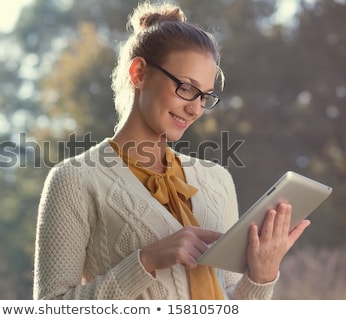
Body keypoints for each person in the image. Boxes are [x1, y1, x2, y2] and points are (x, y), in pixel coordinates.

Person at [33, 1, 310, 300]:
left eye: (204, 96)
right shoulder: (74, 180)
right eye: (187, 88)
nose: (195, 109)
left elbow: (230, 301)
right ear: (139, 73)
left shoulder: (217, 180)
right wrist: (146, 262)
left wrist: (261, 275)